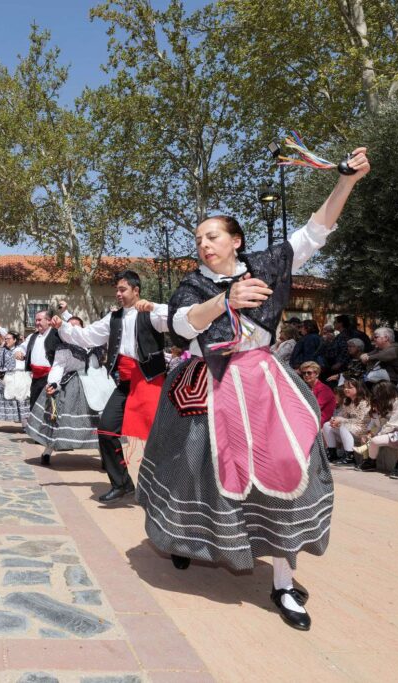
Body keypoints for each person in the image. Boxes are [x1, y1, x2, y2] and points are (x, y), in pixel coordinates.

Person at [136, 147, 370, 631]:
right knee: (194, 470)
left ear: (236, 241)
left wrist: (345, 181)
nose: (204, 244)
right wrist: (225, 299)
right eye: (199, 238)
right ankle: (185, 540)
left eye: (213, 235)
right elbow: (182, 324)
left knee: (288, 470)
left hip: (263, 383)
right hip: (205, 385)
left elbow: (314, 231)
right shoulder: (191, 287)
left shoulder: (266, 265)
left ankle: (283, 582)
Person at [51, 273, 169, 503]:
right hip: (124, 384)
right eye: (117, 289)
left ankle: (166, 489)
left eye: (123, 289)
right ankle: (122, 483)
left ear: (136, 290)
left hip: (149, 381)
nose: (118, 294)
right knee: (105, 430)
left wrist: (154, 306)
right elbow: (87, 336)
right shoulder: (113, 318)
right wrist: (63, 325)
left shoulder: (150, 313)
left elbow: (176, 319)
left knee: (157, 438)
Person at [25, 316, 100, 466]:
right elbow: (58, 366)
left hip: (91, 386)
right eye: (69, 326)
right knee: (59, 419)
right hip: (70, 386)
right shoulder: (64, 348)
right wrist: (53, 382)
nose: (72, 329)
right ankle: (47, 451)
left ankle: (104, 454)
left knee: (95, 421)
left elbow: (96, 366)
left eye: (76, 326)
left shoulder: (92, 347)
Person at [357, 382, 398, 478]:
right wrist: (372, 435)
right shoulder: (388, 404)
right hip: (395, 433)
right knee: (375, 441)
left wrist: (378, 434)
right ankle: (371, 462)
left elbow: (392, 424)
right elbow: (381, 424)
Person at [0, 326, 30, 430]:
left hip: (16, 379)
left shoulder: (20, 350)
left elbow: (24, 365)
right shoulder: (2, 350)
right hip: (1, 379)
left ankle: (25, 425)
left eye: (8, 339)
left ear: (15, 340)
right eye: (6, 338)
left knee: (20, 401)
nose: (6, 340)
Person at [14, 310, 62, 410]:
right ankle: (34, 426)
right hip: (36, 378)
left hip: (51, 377)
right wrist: (18, 351)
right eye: (36, 320)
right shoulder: (32, 336)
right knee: (34, 406)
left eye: (39, 320)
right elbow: (21, 347)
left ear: (49, 321)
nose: (37, 323)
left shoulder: (58, 335)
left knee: (50, 407)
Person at [323, 378, 370, 467]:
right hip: (349, 428)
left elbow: (360, 421)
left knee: (343, 426)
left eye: (350, 387)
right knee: (327, 425)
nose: (346, 389)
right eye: (345, 387)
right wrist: (334, 420)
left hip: (362, 430)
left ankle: (350, 457)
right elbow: (343, 417)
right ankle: (332, 454)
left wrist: (341, 420)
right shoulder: (346, 401)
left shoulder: (364, 402)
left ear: (358, 388)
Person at [300, 361, 335, 425]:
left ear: (317, 374)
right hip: (308, 418)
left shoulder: (324, 390)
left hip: (319, 422)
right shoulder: (307, 388)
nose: (306, 375)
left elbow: (315, 408)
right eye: (304, 373)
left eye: (309, 373)